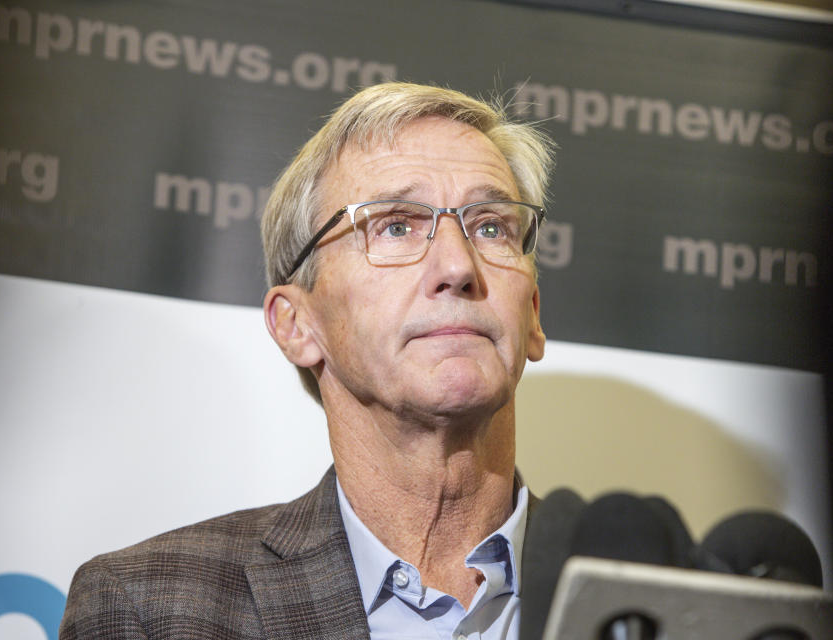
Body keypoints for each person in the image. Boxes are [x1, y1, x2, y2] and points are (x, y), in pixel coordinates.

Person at [60, 82, 554, 639]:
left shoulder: (650, 599)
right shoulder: (153, 609)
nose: (458, 267)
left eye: (491, 226)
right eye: (395, 225)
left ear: (532, 315)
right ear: (297, 326)